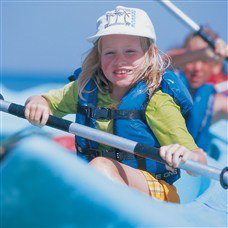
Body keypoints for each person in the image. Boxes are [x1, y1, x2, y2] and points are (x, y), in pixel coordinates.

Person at [24, 6, 207, 203]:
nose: (120, 61)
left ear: (150, 54)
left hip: (156, 193)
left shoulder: (157, 102)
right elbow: (46, 100)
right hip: (98, 182)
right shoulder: (85, 88)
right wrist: (37, 103)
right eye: (110, 53)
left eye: (130, 51)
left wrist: (188, 156)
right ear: (99, 56)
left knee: (101, 167)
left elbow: (198, 160)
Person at [167, 27, 228, 151]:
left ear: (216, 66)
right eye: (193, 59)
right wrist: (203, 53)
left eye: (205, 61)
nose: (197, 68)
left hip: (191, 161)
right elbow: (161, 60)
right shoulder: (163, 80)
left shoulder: (217, 101)